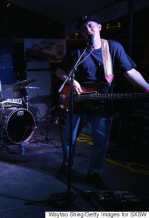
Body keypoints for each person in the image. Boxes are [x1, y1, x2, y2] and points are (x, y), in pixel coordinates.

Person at [55, 15, 149, 189]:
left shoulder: (113, 48)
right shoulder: (78, 52)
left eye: (90, 26)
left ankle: (94, 173)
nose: (87, 30)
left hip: (102, 103)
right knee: (70, 138)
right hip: (78, 100)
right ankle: (67, 166)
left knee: (100, 142)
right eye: (83, 28)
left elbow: (130, 72)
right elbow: (60, 72)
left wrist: (147, 88)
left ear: (99, 27)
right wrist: (71, 81)